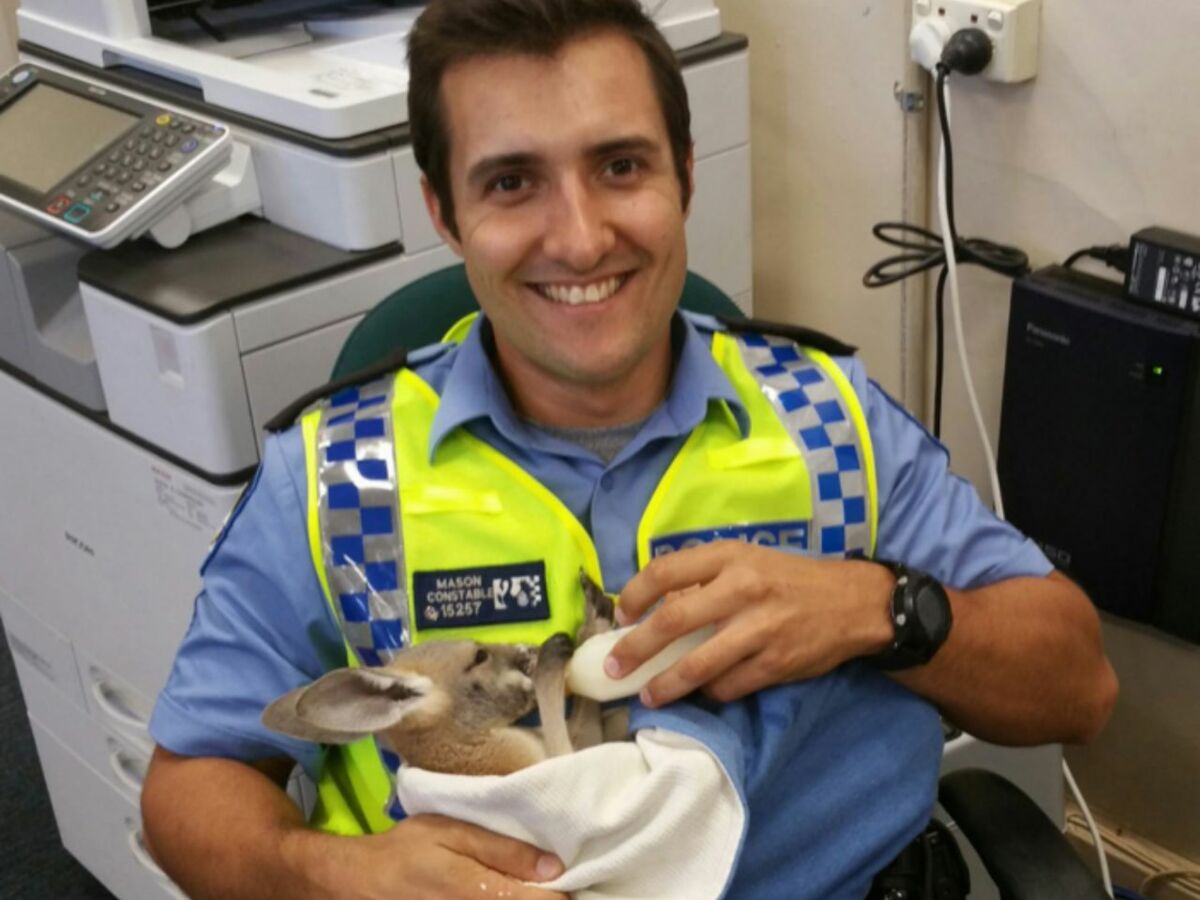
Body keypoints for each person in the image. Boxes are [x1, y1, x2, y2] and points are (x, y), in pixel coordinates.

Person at [140, 0, 1119, 897]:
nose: (579, 237)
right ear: (446, 214)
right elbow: (191, 786)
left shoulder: (829, 423)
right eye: (513, 181)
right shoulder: (341, 476)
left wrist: (884, 608)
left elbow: (1077, 685)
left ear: (684, 175)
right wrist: (326, 876)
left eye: (620, 166)